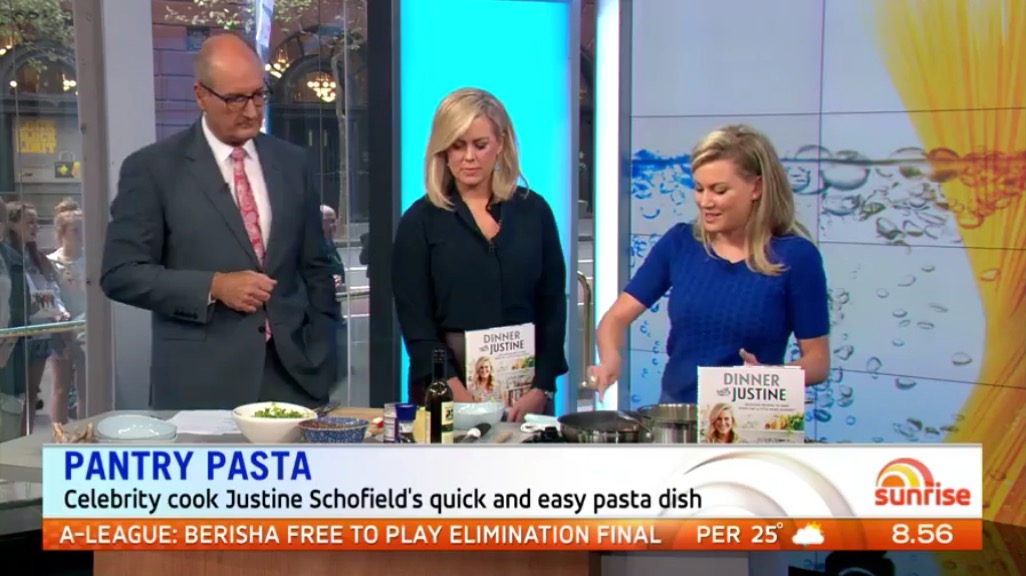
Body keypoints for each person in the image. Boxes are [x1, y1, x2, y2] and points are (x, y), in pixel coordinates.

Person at [101, 34, 339, 410]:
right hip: (201, 385)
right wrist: (214, 286)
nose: (252, 112)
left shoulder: (293, 163)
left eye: (258, 95)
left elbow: (316, 267)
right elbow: (121, 274)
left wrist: (325, 349)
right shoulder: (153, 169)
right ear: (200, 95)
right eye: (235, 99)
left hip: (295, 378)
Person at [589, 124, 830, 404]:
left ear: (756, 188)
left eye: (719, 190)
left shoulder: (796, 258)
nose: (705, 202)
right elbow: (614, 320)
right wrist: (610, 359)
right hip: (677, 415)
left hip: (750, 414)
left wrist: (769, 378)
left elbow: (818, 361)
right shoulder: (680, 243)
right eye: (699, 188)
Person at [392, 87, 568, 422]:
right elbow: (417, 325)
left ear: (500, 143)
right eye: (457, 145)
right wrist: (459, 395)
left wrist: (542, 388)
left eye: (480, 144)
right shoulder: (419, 222)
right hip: (446, 393)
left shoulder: (535, 211)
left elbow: (552, 306)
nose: (468, 157)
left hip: (527, 395)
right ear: (443, 150)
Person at [4, 201, 70, 432]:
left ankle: (27, 437)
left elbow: (50, 289)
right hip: (15, 336)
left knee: (31, 393)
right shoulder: (7, 257)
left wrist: (60, 311)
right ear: (12, 224)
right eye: (29, 222)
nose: (36, 227)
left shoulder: (38, 258)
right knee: (13, 395)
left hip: (40, 334)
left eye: (37, 222)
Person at [48, 198, 87, 423]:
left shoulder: (91, 260)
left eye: (83, 229)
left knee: (85, 387)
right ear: (62, 232)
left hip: (85, 328)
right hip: (60, 329)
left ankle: (85, 432)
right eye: (76, 230)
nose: (81, 235)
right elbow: (50, 296)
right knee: (61, 387)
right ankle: (58, 434)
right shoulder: (50, 262)